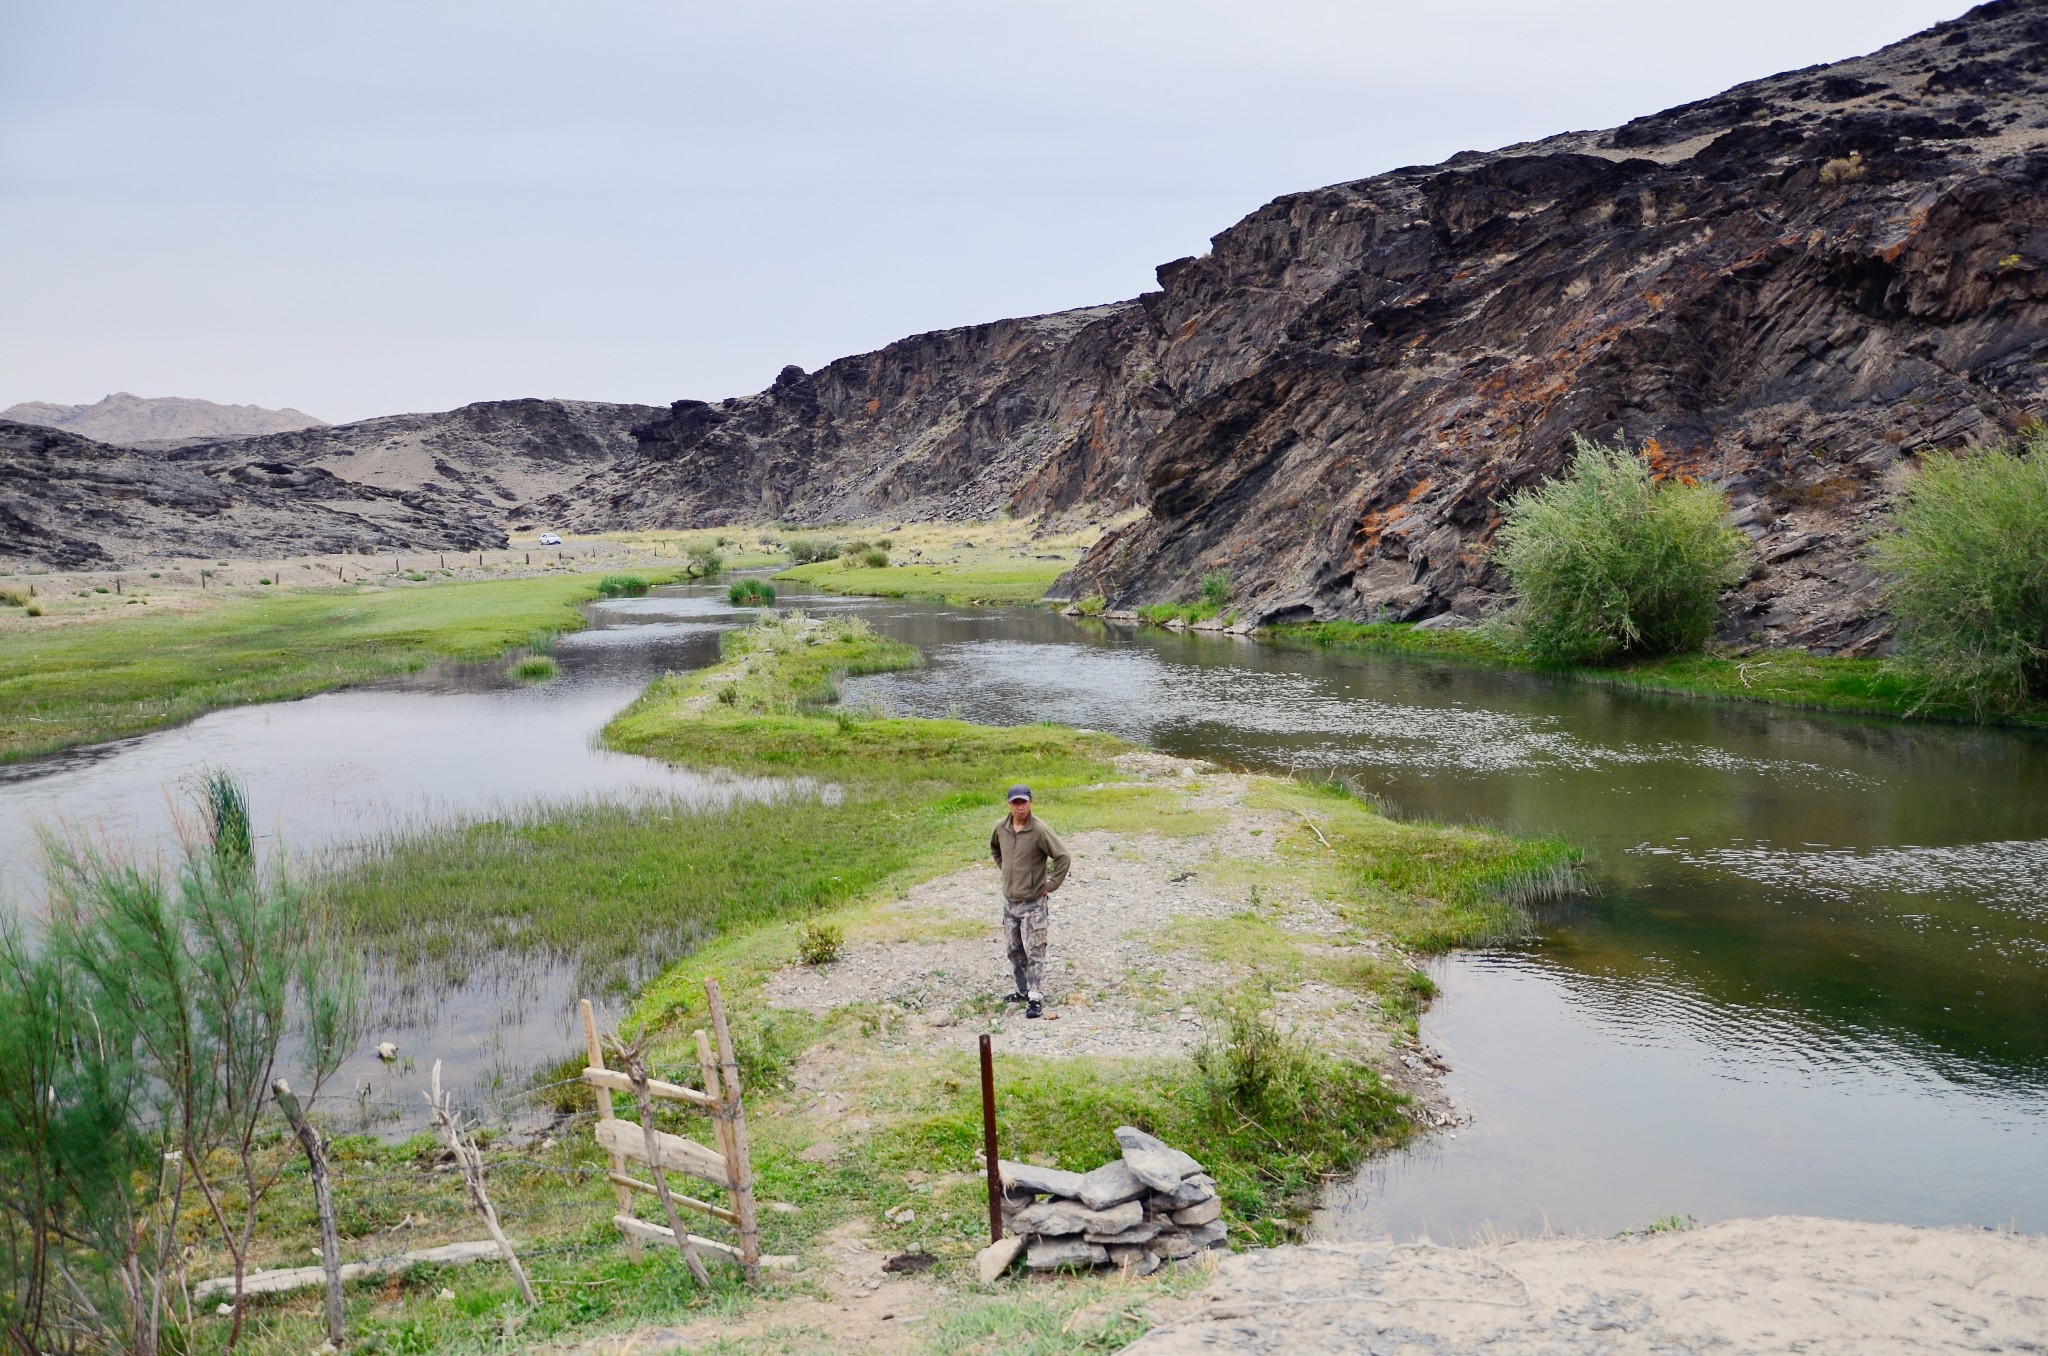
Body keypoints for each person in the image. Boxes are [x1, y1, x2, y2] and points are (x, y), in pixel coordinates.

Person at [989, 783, 1070, 1019]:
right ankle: (1022, 990)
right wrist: (1005, 870)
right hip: (1010, 901)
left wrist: (1051, 885)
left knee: (1035, 949)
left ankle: (1035, 997)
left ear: (1030, 803)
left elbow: (1063, 857)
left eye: (1023, 802)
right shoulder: (1000, 828)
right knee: (1014, 949)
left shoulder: (1040, 830)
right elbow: (995, 848)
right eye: (1015, 803)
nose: (1020, 807)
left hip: (1034, 902)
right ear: (1009, 804)